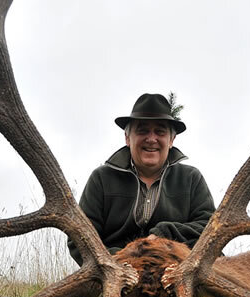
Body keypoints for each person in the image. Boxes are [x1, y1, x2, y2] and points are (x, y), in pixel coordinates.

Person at [67, 93, 215, 266]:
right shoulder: (101, 178)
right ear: (127, 138)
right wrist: (121, 262)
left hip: (177, 273)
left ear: (171, 140)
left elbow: (210, 228)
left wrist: (163, 235)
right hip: (115, 273)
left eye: (160, 131)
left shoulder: (191, 179)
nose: (151, 139)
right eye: (142, 130)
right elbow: (80, 240)